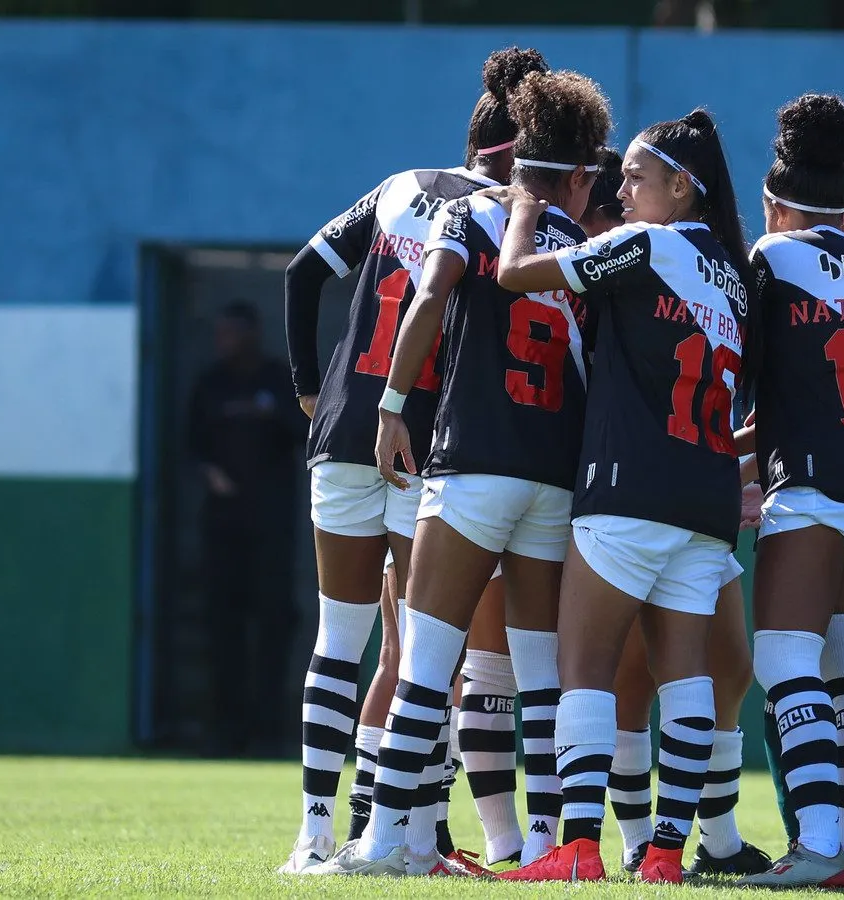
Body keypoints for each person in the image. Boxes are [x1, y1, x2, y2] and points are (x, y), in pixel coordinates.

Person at [305, 68, 610, 878]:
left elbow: (429, 298)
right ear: (580, 176)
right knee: (541, 676)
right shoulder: (584, 245)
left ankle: (384, 842)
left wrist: (391, 404)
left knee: (426, 661)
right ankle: (543, 846)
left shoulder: (471, 212)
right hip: (554, 475)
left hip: (474, 464)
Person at [483, 108, 752, 885]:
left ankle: (578, 848)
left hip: (630, 490)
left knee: (586, 670)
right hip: (706, 498)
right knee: (687, 677)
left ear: (682, 186)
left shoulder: (646, 244)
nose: (621, 191)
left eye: (635, 177)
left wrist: (525, 206)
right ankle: (665, 853)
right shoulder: (733, 274)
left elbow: (514, 273)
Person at [735, 94, 844, 890]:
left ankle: (821, 846)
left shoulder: (772, 255)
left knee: (783, 656)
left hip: (813, 480)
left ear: (775, 202)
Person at [186, 300, 304, 759]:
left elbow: (303, 431)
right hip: (223, 527)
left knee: (274, 624)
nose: (224, 342)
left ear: (251, 333)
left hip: (272, 526)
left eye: (232, 333)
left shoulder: (278, 380)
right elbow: (192, 446)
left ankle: (268, 731)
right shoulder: (210, 385)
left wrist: (271, 412)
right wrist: (211, 473)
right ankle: (225, 730)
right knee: (223, 626)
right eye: (220, 334)